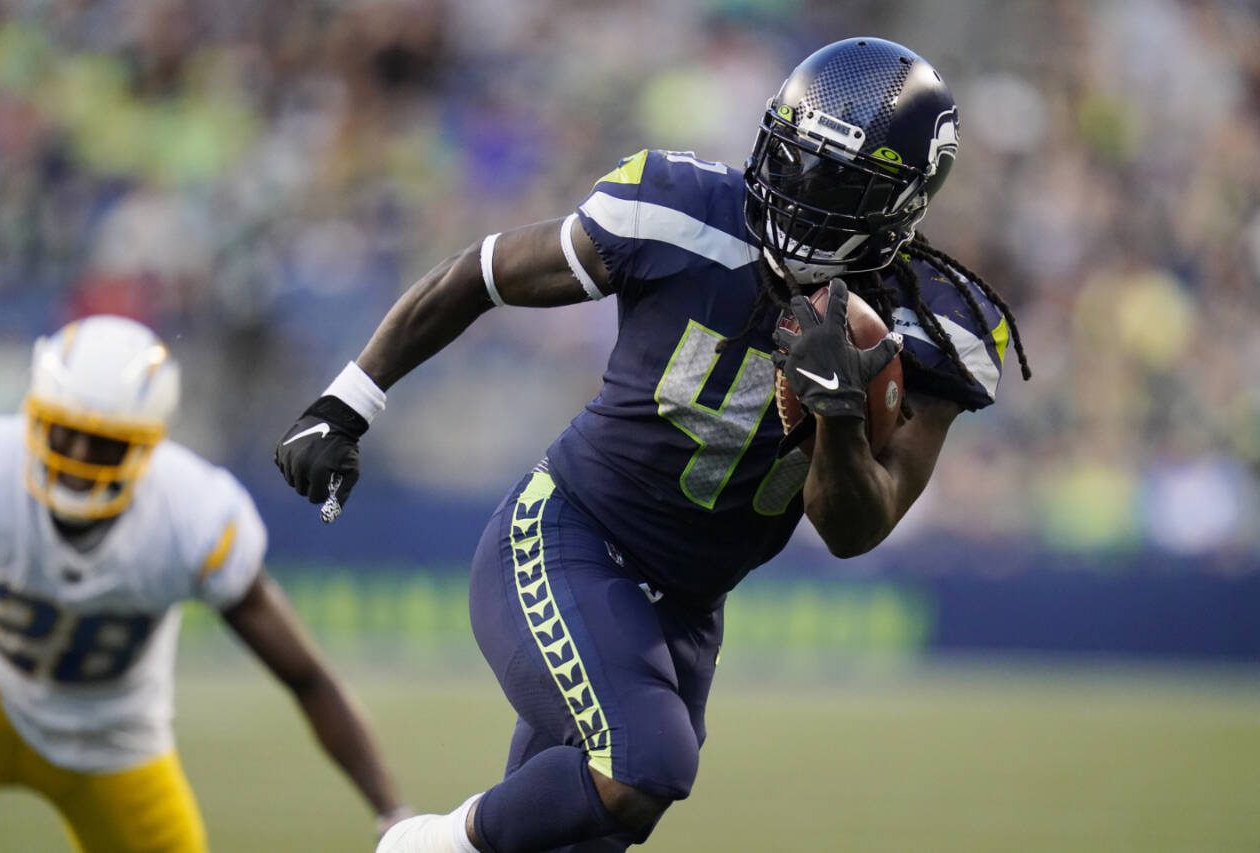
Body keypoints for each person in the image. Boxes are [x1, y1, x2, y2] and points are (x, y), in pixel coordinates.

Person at [275, 37, 1031, 853]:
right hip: (568, 535)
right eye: (795, 160)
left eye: (839, 183)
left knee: (583, 832)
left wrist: (838, 413)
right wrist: (346, 400)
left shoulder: (937, 321)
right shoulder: (680, 210)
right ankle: (422, 845)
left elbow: (856, 529)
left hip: (687, 606)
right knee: (645, 763)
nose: (800, 195)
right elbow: (483, 272)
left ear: (903, 206)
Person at [0, 314, 412, 851]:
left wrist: (391, 811)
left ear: (148, 444)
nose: (81, 461)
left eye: (106, 443)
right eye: (67, 434)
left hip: (114, 741)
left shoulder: (189, 515)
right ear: (35, 419)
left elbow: (307, 677)